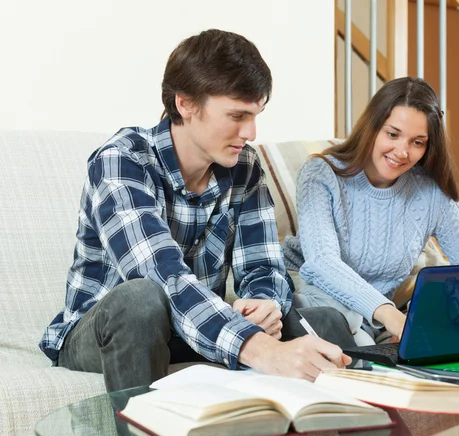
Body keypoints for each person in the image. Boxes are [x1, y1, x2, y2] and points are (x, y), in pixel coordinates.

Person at [39, 29, 355, 392]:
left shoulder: (245, 168)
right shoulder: (122, 161)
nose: (250, 131)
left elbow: (263, 266)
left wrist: (263, 304)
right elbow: (162, 278)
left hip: (195, 325)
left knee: (326, 323)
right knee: (141, 302)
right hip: (110, 329)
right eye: (237, 115)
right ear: (185, 104)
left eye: (256, 114)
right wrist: (259, 347)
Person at [283, 77, 459, 348]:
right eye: (392, 134)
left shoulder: (431, 193)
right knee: (358, 349)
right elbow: (321, 262)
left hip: (375, 314)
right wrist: (390, 315)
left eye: (417, 142)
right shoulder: (322, 173)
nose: (402, 152)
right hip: (313, 293)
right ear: (372, 127)